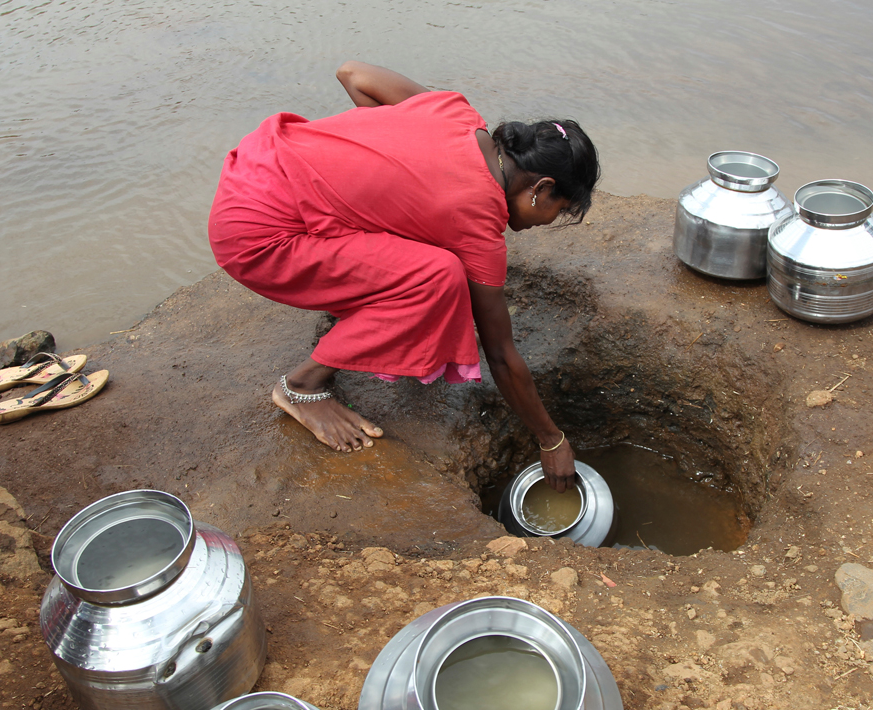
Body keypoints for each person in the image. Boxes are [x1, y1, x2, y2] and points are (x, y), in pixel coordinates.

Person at [208, 61, 599, 491]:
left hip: (255, 165)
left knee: (420, 246)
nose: (549, 222)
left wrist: (386, 147)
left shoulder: (455, 112)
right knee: (438, 275)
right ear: (540, 188)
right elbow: (502, 354)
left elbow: (352, 73)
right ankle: (301, 387)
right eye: (559, 211)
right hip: (256, 235)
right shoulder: (476, 220)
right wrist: (551, 439)